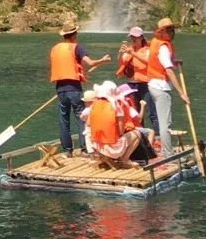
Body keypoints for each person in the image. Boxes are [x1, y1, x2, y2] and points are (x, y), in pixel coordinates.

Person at [49, 18, 111, 158]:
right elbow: (89, 63)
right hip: (74, 88)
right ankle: (84, 150)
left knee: (63, 120)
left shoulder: (55, 48)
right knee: (81, 117)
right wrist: (103, 60)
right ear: (74, 34)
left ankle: (67, 151)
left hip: (60, 88)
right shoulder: (76, 47)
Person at [147, 17, 189, 159]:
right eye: (170, 30)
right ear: (162, 32)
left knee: (164, 121)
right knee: (165, 123)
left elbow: (159, 62)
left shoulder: (155, 42)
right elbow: (169, 71)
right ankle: (168, 154)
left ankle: (166, 151)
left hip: (153, 84)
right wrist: (181, 93)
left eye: (173, 30)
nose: (172, 33)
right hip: (160, 86)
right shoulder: (163, 47)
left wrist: (174, 62)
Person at [88, 81, 144, 169]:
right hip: (112, 146)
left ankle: (105, 159)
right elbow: (121, 130)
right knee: (137, 134)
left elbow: (88, 123)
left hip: (97, 145)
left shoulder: (94, 105)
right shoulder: (115, 106)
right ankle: (125, 159)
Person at [115, 26, 158, 135]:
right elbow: (121, 64)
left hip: (145, 84)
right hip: (132, 85)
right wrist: (120, 53)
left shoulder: (147, 50)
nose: (134, 39)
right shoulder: (129, 49)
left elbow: (149, 61)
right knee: (136, 113)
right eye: (132, 37)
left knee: (151, 112)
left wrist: (133, 53)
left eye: (136, 37)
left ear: (141, 37)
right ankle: (141, 138)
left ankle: (158, 137)